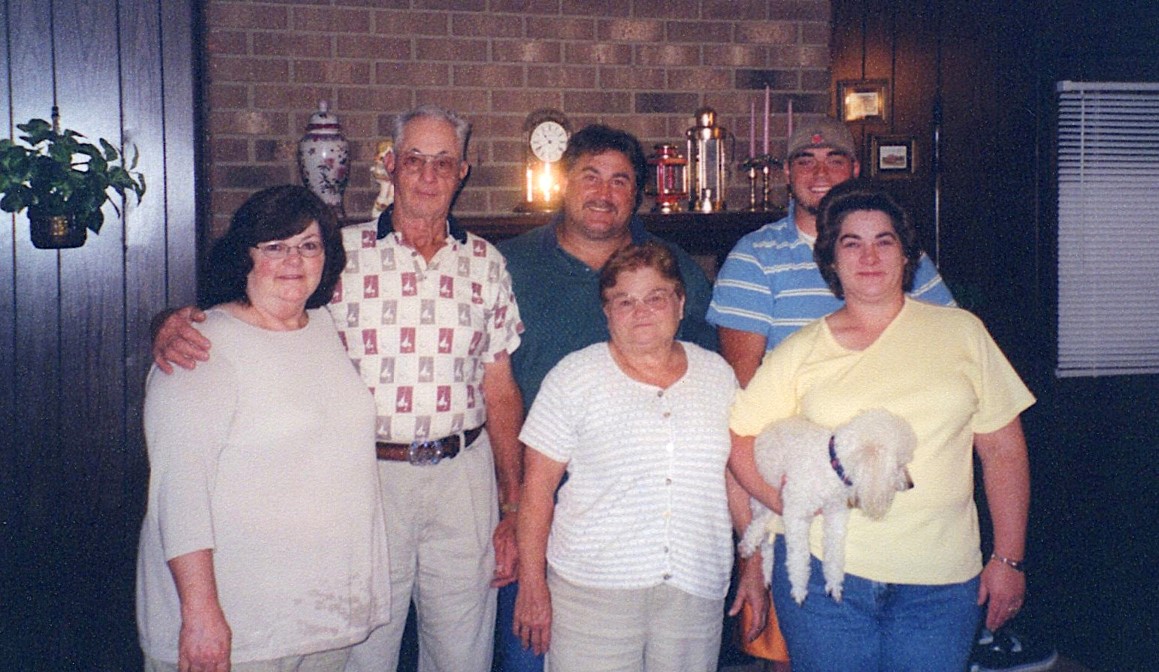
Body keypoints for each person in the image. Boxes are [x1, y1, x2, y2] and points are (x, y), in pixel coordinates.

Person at [150, 105, 525, 672]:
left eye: (443, 162)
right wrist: (167, 323)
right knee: (360, 645)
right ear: (390, 165)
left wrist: (512, 502)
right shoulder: (336, 255)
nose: (428, 175)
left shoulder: (486, 263)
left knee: (463, 649)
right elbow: (255, 312)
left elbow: (500, 388)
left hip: (463, 475)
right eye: (415, 160)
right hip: (369, 479)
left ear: (463, 172)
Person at [728, 180, 1035, 671]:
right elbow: (739, 438)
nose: (868, 256)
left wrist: (1009, 559)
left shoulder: (961, 333)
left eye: (884, 241)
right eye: (851, 243)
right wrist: (788, 503)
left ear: (906, 256)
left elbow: (1004, 451)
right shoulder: (801, 349)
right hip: (828, 584)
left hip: (941, 582)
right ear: (831, 260)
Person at [494, 124, 767, 672]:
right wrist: (511, 504)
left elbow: (713, 430)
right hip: (543, 510)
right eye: (590, 175)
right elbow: (495, 386)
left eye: (620, 180)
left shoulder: (676, 268)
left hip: (672, 536)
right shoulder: (509, 265)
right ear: (563, 182)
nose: (604, 191)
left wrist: (751, 557)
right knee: (528, 653)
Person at [707, 116, 956, 670]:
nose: (819, 173)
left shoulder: (896, 253)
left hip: (896, 486)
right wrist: (763, 528)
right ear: (786, 175)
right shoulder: (755, 258)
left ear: (855, 169)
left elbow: (949, 352)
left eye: (833, 161)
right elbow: (743, 404)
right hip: (797, 484)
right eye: (804, 162)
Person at [136, 185, 391, 672]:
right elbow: (179, 496)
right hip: (238, 629)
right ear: (244, 256)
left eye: (309, 245)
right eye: (275, 246)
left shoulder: (323, 328)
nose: (294, 260)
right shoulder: (199, 347)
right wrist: (201, 614)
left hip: (319, 620)